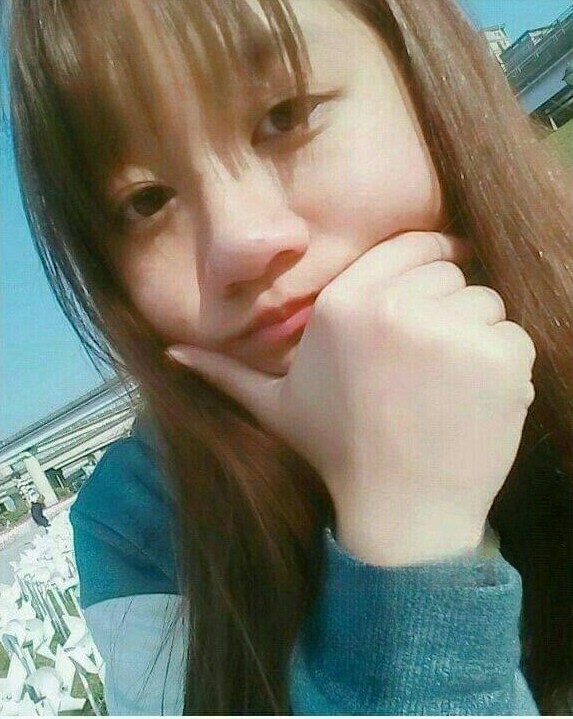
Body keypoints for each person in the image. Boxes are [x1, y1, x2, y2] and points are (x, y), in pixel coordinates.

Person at [7, 0, 573, 714]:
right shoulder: (142, 529)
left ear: (422, 76)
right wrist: (412, 546)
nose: (239, 244)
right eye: (146, 201)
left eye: (285, 115)